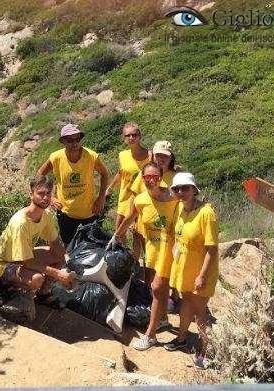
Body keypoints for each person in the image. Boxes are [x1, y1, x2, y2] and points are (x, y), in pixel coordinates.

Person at [0, 175, 77, 322]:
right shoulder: (20, 223)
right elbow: (26, 262)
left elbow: (55, 244)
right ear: (31, 194)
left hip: (22, 256)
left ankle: (43, 294)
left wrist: (69, 263)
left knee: (57, 255)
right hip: (2, 264)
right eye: (40, 193)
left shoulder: (45, 215)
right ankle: (6, 287)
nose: (45, 197)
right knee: (37, 278)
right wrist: (58, 274)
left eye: (48, 193)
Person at [111, 162, 178, 351]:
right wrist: (116, 236)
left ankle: (150, 335)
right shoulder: (140, 200)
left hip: (171, 252)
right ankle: (163, 319)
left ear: (161, 177)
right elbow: (129, 218)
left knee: (156, 288)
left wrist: (205, 206)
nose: (151, 180)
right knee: (161, 288)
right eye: (147, 177)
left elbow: (191, 206)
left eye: (155, 176)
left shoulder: (173, 197)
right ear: (142, 178)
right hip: (154, 251)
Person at [164, 172, 219, 370]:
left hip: (200, 272)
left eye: (185, 188)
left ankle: (206, 351)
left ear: (194, 190)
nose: (181, 192)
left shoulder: (206, 213)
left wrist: (202, 275)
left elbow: (211, 248)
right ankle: (181, 338)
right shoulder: (179, 208)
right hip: (184, 268)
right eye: (177, 189)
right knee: (185, 303)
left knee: (199, 311)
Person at [37, 123, 110, 245]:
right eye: (70, 140)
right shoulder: (56, 157)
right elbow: (39, 174)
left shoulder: (91, 156)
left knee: (92, 245)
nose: (74, 143)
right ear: (63, 141)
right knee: (68, 245)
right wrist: (50, 198)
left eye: (77, 139)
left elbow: (104, 174)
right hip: (66, 212)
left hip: (89, 211)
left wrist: (101, 197)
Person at [105, 122, 151, 262]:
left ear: (140, 136)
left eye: (134, 135)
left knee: (139, 232)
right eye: (128, 135)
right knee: (119, 228)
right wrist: (111, 188)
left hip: (143, 197)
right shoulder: (123, 155)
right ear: (124, 138)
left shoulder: (150, 155)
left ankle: (137, 260)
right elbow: (121, 172)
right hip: (125, 196)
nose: (131, 138)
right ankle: (127, 257)